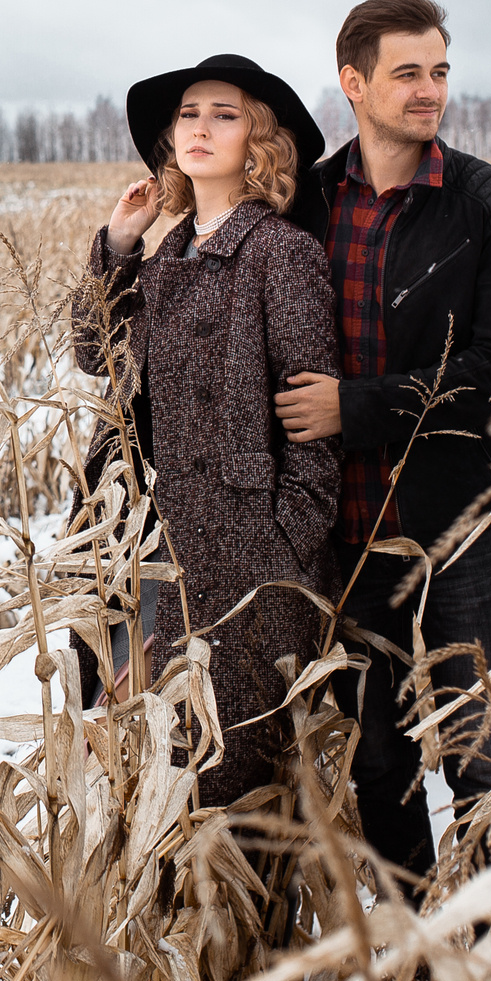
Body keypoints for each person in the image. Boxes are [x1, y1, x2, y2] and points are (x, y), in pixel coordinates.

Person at [273, 0, 491, 898]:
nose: (429, 91)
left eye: (439, 71)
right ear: (353, 83)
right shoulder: (305, 201)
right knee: (379, 765)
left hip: (460, 524)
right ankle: (413, 961)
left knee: (484, 762)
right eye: (408, 73)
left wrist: (361, 406)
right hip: (344, 534)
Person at [70, 54, 340, 808]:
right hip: (148, 545)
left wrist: (279, 546)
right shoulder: (164, 253)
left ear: (260, 140)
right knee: (140, 753)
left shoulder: (281, 254)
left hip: (242, 563)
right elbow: (96, 352)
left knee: (225, 775)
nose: (199, 126)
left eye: (224, 113)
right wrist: (120, 242)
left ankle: (233, 930)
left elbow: (314, 430)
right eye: (188, 113)